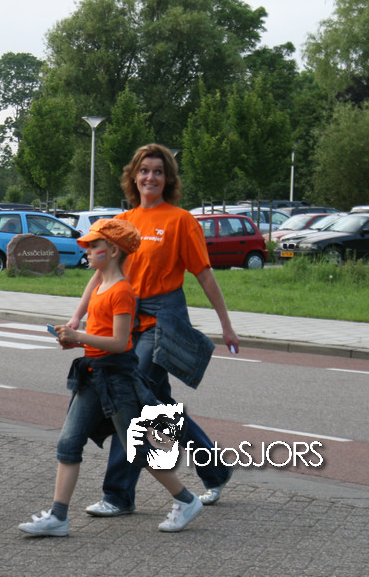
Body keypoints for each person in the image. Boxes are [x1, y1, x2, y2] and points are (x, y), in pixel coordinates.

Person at [69, 144, 239, 518]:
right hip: (127, 320)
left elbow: (205, 275)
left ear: (168, 179)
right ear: (134, 176)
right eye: (144, 170)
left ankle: (118, 495)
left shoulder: (181, 221)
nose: (150, 177)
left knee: (126, 396)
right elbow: (100, 274)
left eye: (158, 171)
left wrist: (226, 325)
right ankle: (215, 470)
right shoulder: (122, 221)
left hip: (162, 322)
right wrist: (77, 318)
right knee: (157, 404)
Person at [18, 219, 203, 537]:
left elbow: (120, 343)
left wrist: (79, 336)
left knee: (139, 450)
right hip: (93, 375)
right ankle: (58, 518)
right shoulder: (100, 286)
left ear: (113, 251)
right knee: (68, 443)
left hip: (117, 381)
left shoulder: (122, 292)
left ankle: (187, 501)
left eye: (94, 246)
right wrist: (76, 341)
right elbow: (101, 336)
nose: (87, 251)